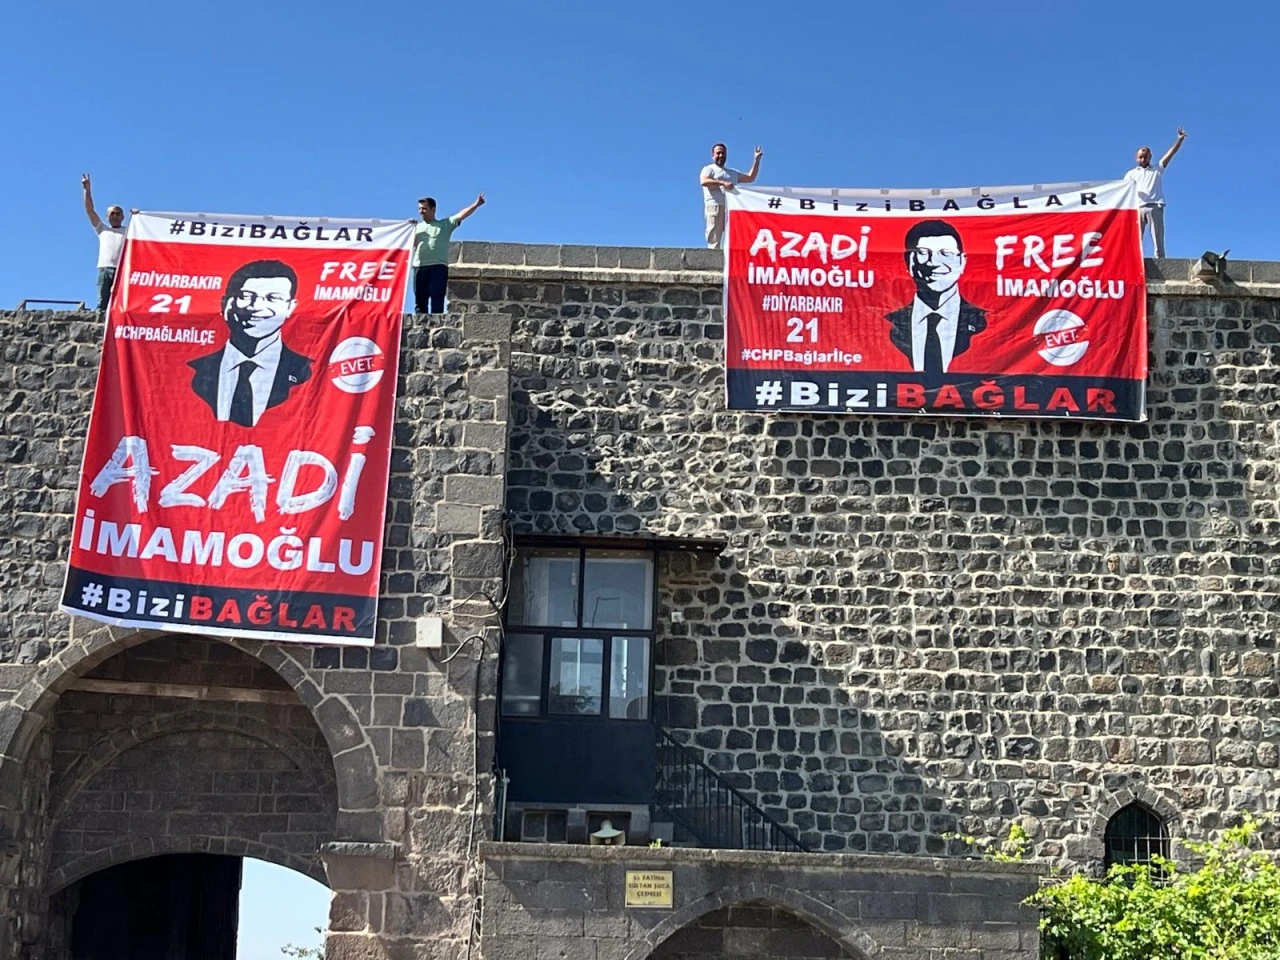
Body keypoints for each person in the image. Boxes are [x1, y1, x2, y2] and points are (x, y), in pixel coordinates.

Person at [189, 259, 312, 428]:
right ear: (226, 304)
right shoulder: (193, 371)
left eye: (273, 298)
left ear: (290, 307)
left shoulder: (307, 373)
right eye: (246, 296)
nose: (256, 307)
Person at [884, 220, 987, 378]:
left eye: (945, 254)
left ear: (962, 261)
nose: (934, 263)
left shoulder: (984, 323)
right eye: (923, 253)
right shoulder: (888, 324)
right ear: (910, 261)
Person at [413, 194, 485, 314]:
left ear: (433, 209)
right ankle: (420, 323)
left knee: (437, 297)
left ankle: (436, 323)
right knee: (420, 299)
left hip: (438, 266)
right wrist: (408, 227)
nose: (421, 212)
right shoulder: (415, 228)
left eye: (424, 208)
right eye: (419, 209)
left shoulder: (444, 225)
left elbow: (461, 215)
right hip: (419, 266)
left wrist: (476, 204)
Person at [1124, 128, 1187, 258]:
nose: (1143, 159)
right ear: (1136, 158)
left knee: (1158, 238)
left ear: (1150, 157)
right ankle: (1135, 260)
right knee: (1135, 239)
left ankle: (1161, 261)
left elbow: (1170, 154)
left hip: (1155, 206)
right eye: (1141, 157)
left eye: (1146, 157)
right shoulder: (1131, 174)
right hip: (1138, 208)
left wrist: (1179, 140)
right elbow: (1124, 190)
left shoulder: (1157, 169)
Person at [81, 173, 136, 312]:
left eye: (118, 214)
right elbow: (89, 210)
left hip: (123, 269)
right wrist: (87, 190)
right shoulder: (102, 229)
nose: (115, 216)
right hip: (105, 269)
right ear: (107, 216)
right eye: (112, 213)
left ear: (123, 217)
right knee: (102, 304)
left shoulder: (129, 231)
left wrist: (137, 216)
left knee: (123, 302)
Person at [699, 143, 762, 249]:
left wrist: (757, 160)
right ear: (713, 155)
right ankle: (713, 258)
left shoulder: (732, 173)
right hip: (715, 206)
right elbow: (704, 181)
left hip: (731, 208)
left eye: (723, 153)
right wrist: (722, 183)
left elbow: (750, 178)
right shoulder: (709, 169)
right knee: (714, 237)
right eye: (718, 153)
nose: (721, 155)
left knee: (733, 237)